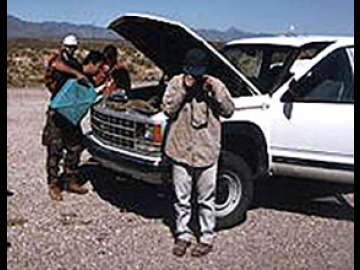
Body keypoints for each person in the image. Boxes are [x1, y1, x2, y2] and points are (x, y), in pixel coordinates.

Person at [162, 48, 235, 257]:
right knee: (182, 198)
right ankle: (183, 235)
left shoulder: (215, 84)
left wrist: (216, 94)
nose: (194, 76)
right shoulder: (176, 83)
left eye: (198, 72)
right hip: (181, 149)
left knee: (206, 198)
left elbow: (229, 110)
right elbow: (168, 109)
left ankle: (206, 237)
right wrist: (184, 90)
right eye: (191, 72)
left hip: (207, 149)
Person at [42, 34, 89, 201]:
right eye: (69, 47)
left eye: (73, 48)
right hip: (57, 111)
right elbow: (56, 65)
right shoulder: (57, 60)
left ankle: (71, 179)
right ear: (63, 46)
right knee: (55, 149)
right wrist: (77, 74)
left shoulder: (76, 63)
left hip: (71, 112)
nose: (71, 50)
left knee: (75, 146)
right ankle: (54, 184)